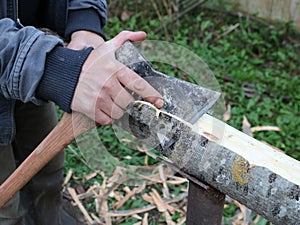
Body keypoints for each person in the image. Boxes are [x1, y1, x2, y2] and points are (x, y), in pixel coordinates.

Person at [0, 0, 164, 224]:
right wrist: (55, 69)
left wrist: (84, 22)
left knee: (48, 172)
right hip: (36, 62)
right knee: (6, 210)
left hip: (31, 62)